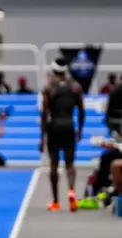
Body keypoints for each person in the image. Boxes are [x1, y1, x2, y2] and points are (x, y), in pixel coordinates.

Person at [40, 58, 85, 212]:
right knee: (70, 164)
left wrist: (42, 136)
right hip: (69, 125)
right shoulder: (75, 86)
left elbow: (44, 113)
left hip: (54, 126)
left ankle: (56, 201)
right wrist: (80, 129)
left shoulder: (48, 86)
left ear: (53, 70)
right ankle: (71, 191)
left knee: (54, 164)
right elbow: (82, 110)